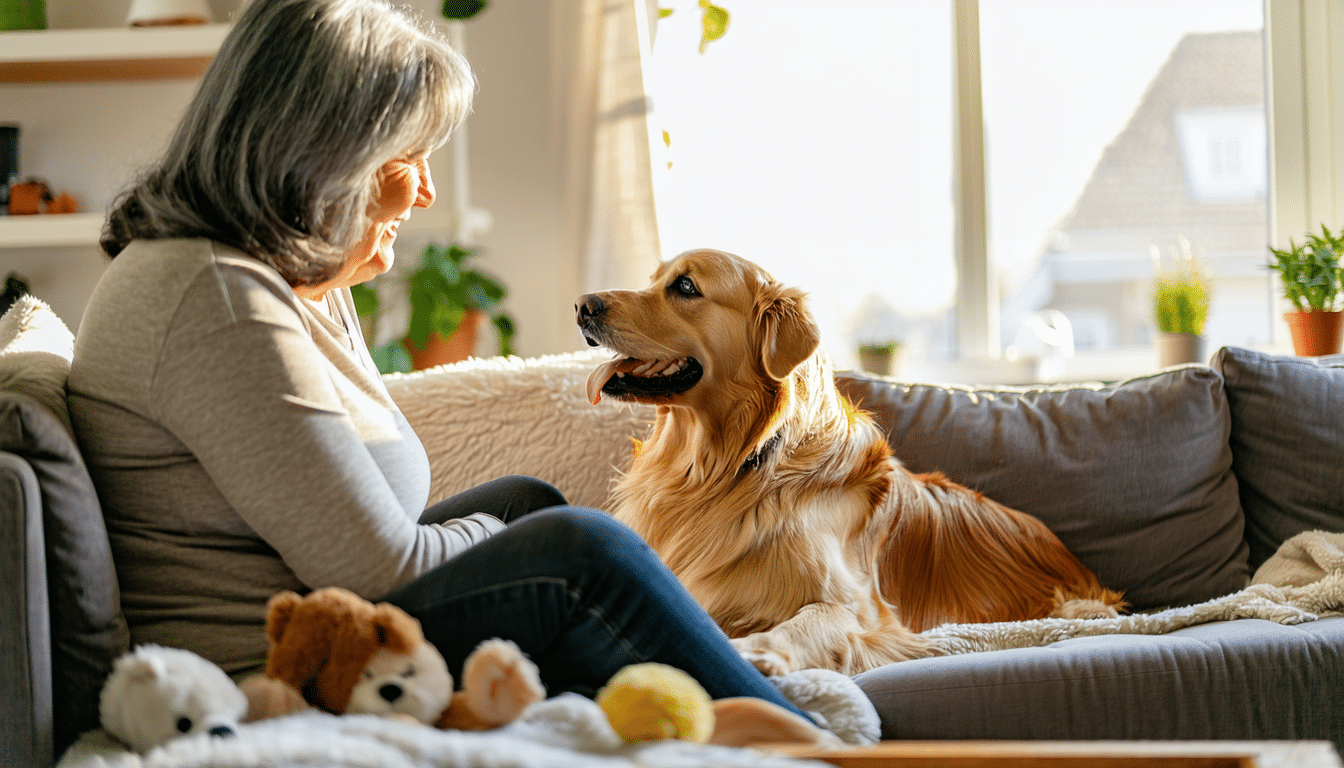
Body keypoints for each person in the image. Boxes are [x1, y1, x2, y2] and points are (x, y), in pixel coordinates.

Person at [67, 0, 806, 718]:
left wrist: (506, 530)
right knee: (579, 548)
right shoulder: (217, 300)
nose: (421, 192)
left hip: (341, 618)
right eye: (406, 158)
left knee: (527, 503)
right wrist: (510, 544)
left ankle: (671, 710)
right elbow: (377, 568)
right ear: (324, 157)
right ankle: (813, 745)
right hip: (285, 666)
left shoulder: (283, 281)